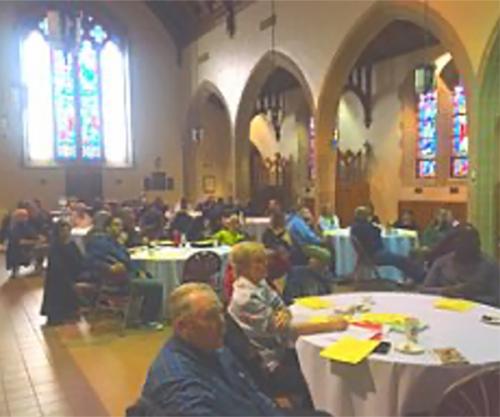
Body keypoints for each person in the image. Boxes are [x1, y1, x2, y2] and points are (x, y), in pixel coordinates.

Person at [140, 283, 291, 416]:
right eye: (210, 316)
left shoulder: (216, 349)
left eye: (221, 312)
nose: (221, 322)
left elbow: (253, 395)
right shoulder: (178, 381)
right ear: (182, 326)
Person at [228, 242, 347, 408]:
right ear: (244, 267)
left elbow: (281, 305)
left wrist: (283, 313)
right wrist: (329, 325)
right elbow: (286, 331)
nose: (265, 265)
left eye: (264, 260)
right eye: (258, 261)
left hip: (279, 348)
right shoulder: (245, 297)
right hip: (268, 362)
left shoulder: (260, 283)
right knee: (318, 373)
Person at [85, 216, 164, 327]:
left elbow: (128, 260)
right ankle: (147, 320)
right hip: (117, 281)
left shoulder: (117, 243)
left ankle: (140, 316)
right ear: (107, 228)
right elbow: (91, 261)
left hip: (128, 276)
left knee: (150, 277)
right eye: (116, 225)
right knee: (157, 285)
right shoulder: (99, 242)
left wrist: (139, 271)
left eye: (121, 225)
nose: (120, 228)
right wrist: (108, 268)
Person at [422, 224, 500, 306]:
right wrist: (445, 291)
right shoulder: (442, 263)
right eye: (463, 242)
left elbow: (497, 298)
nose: (468, 246)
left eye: (471, 241)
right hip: (445, 309)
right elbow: (424, 290)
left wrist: (470, 297)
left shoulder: (490, 266)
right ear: (455, 244)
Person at [350, 206, 425, 283]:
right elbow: (376, 234)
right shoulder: (365, 227)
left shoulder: (354, 227)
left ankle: (418, 276)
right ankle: (420, 276)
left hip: (370, 254)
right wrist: (373, 226)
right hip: (376, 255)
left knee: (401, 259)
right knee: (401, 260)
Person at [40, 221, 82, 326]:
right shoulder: (55, 247)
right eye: (63, 230)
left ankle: (70, 311)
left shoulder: (72, 244)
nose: (65, 233)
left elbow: (80, 260)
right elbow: (56, 266)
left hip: (73, 274)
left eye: (67, 230)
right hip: (58, 278)